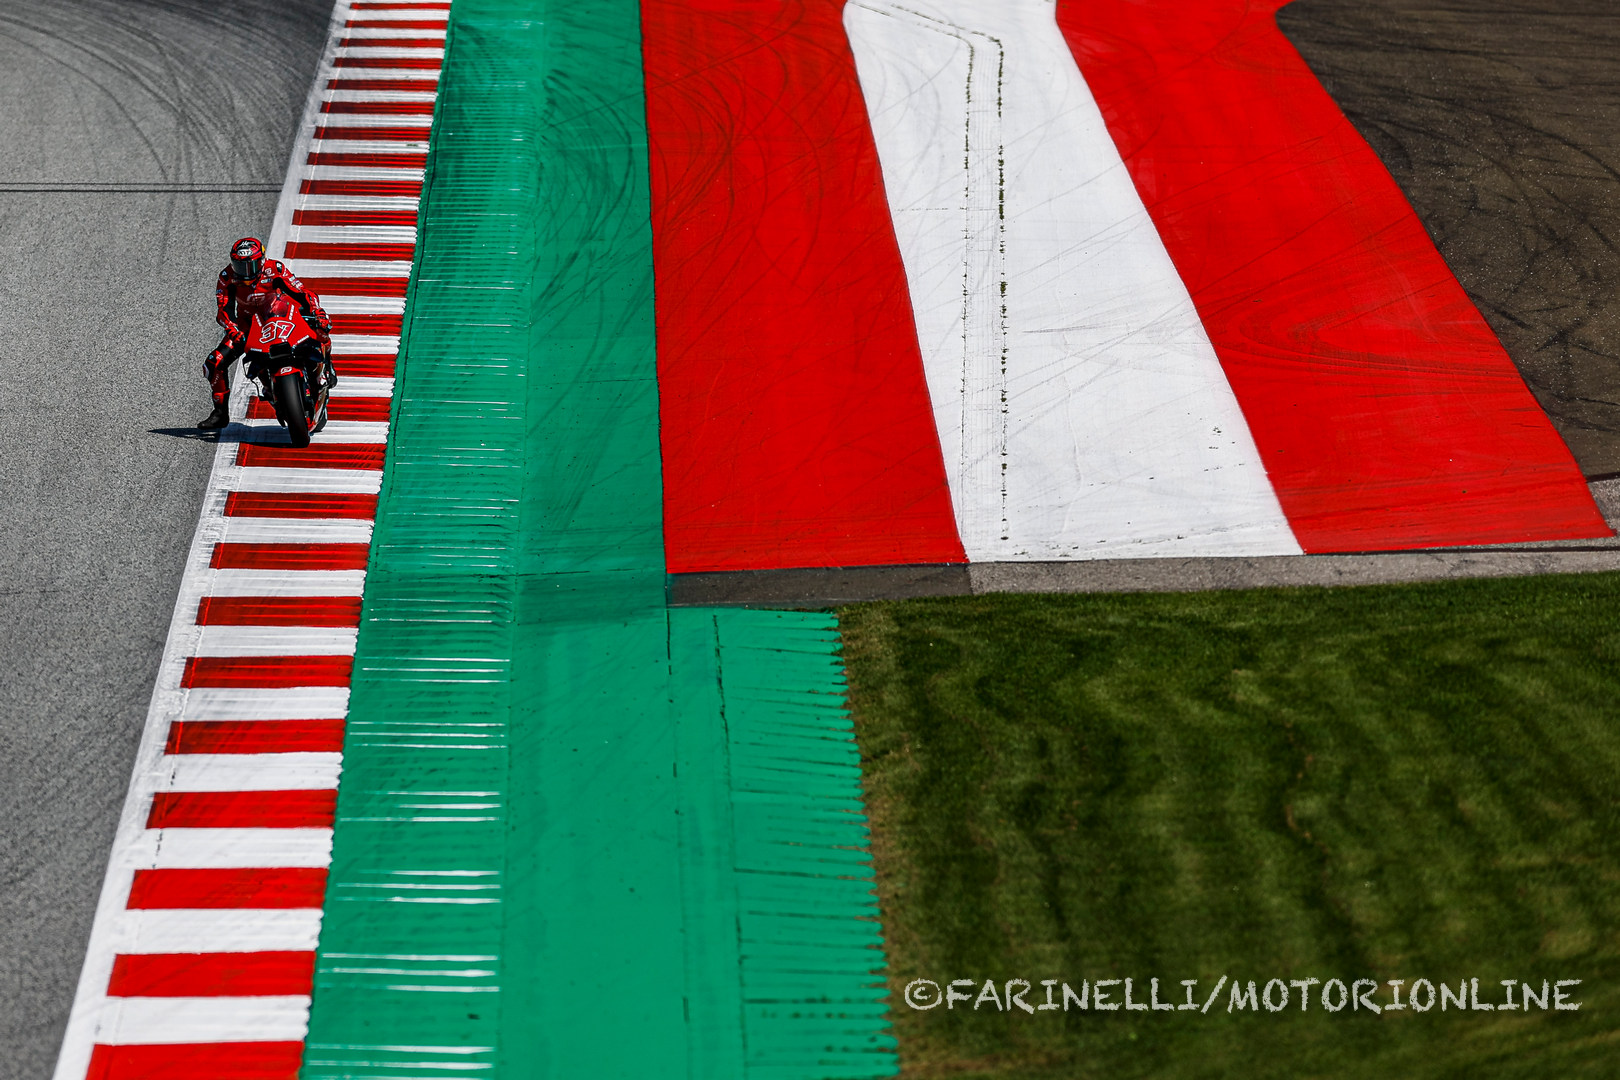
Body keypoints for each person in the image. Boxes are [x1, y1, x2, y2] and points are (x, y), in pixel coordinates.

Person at [198, 237, 337, 429]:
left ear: (261, 260)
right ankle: (220, 413)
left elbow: (302, 292)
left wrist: (316, 310)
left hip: (281, 316)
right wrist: (233, 329)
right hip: (247, 327)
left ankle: (326, 364)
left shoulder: (275, 269)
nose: (245, 272)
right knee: (213, 362)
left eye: (250, 265)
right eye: (240, 265)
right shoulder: (226, 277)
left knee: (320, 325)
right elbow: (223, 312)